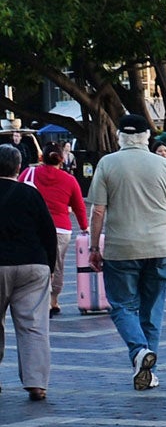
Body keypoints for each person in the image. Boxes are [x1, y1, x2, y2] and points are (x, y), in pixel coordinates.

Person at [87, 113, 166, 390]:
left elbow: (97, 210)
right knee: (152, 310)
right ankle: (148, 370)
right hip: (159, 247)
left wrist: (94, 247)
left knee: (121, 306)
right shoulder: (165, 166)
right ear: (147, 138)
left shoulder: (107, 164)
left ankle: (139, 352)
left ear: (120, 136)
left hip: (121, 249)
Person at [0, 145, 59, 402]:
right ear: (19, 167)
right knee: (34, 326)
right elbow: (48, 232)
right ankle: (37, 384)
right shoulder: (31, 194)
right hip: (33, 265)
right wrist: (50, 267)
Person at [26, 134, 88, 316]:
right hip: (60, 229)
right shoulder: (70, 180)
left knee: (37, 263)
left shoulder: (28, 173)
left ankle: (40, 298)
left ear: (41, 157)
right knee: (57, 264)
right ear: (62, 159)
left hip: (34, 228)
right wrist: (85, 227)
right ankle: (54, 300)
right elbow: (79, 207)